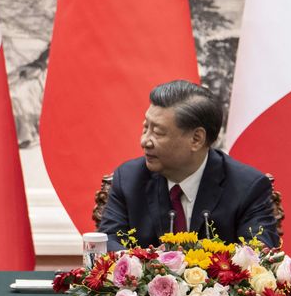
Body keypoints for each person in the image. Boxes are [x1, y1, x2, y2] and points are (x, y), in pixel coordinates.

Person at [97, 80, 279, 250]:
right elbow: (107, 244)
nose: (145, 141)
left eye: (158, 132)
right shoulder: (129, 179)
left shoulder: (247, 187)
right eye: (146, 128)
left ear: (196, 139)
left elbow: (257, 255)